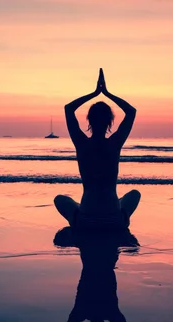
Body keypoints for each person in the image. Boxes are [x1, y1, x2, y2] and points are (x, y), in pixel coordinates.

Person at [54, 68, 141, 230]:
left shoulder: (81, 143)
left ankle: (77, 219)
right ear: (110, 122)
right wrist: (107, 93)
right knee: (134, 194)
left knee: (60, 199)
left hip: (86, 220)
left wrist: (94, 93)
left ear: (88, 120)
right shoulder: (114, 144)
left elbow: (68, 108)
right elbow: (131, 111)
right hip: (114, 219)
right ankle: (122, 219)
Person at [54, 227, 138, 322]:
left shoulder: (110, 313)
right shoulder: (82, 312)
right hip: (92, 241)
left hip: (107, 241)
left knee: (128, 242)